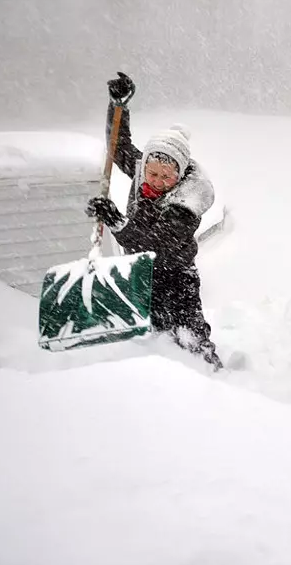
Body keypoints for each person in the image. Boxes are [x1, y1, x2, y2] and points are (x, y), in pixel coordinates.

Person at [86, 71, 224, 370]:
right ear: (145, 164)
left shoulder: (189, 199)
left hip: (176, 275)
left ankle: (214, 377)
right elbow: (118, 147)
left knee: (190, 337)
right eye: (152, 173)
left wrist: (116, 221)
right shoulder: (143, 168)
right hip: (143, 272)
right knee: (155, 336)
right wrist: (118, 106)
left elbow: (154, 244)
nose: (158, 181)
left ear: (180, 172)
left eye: (167, 176)